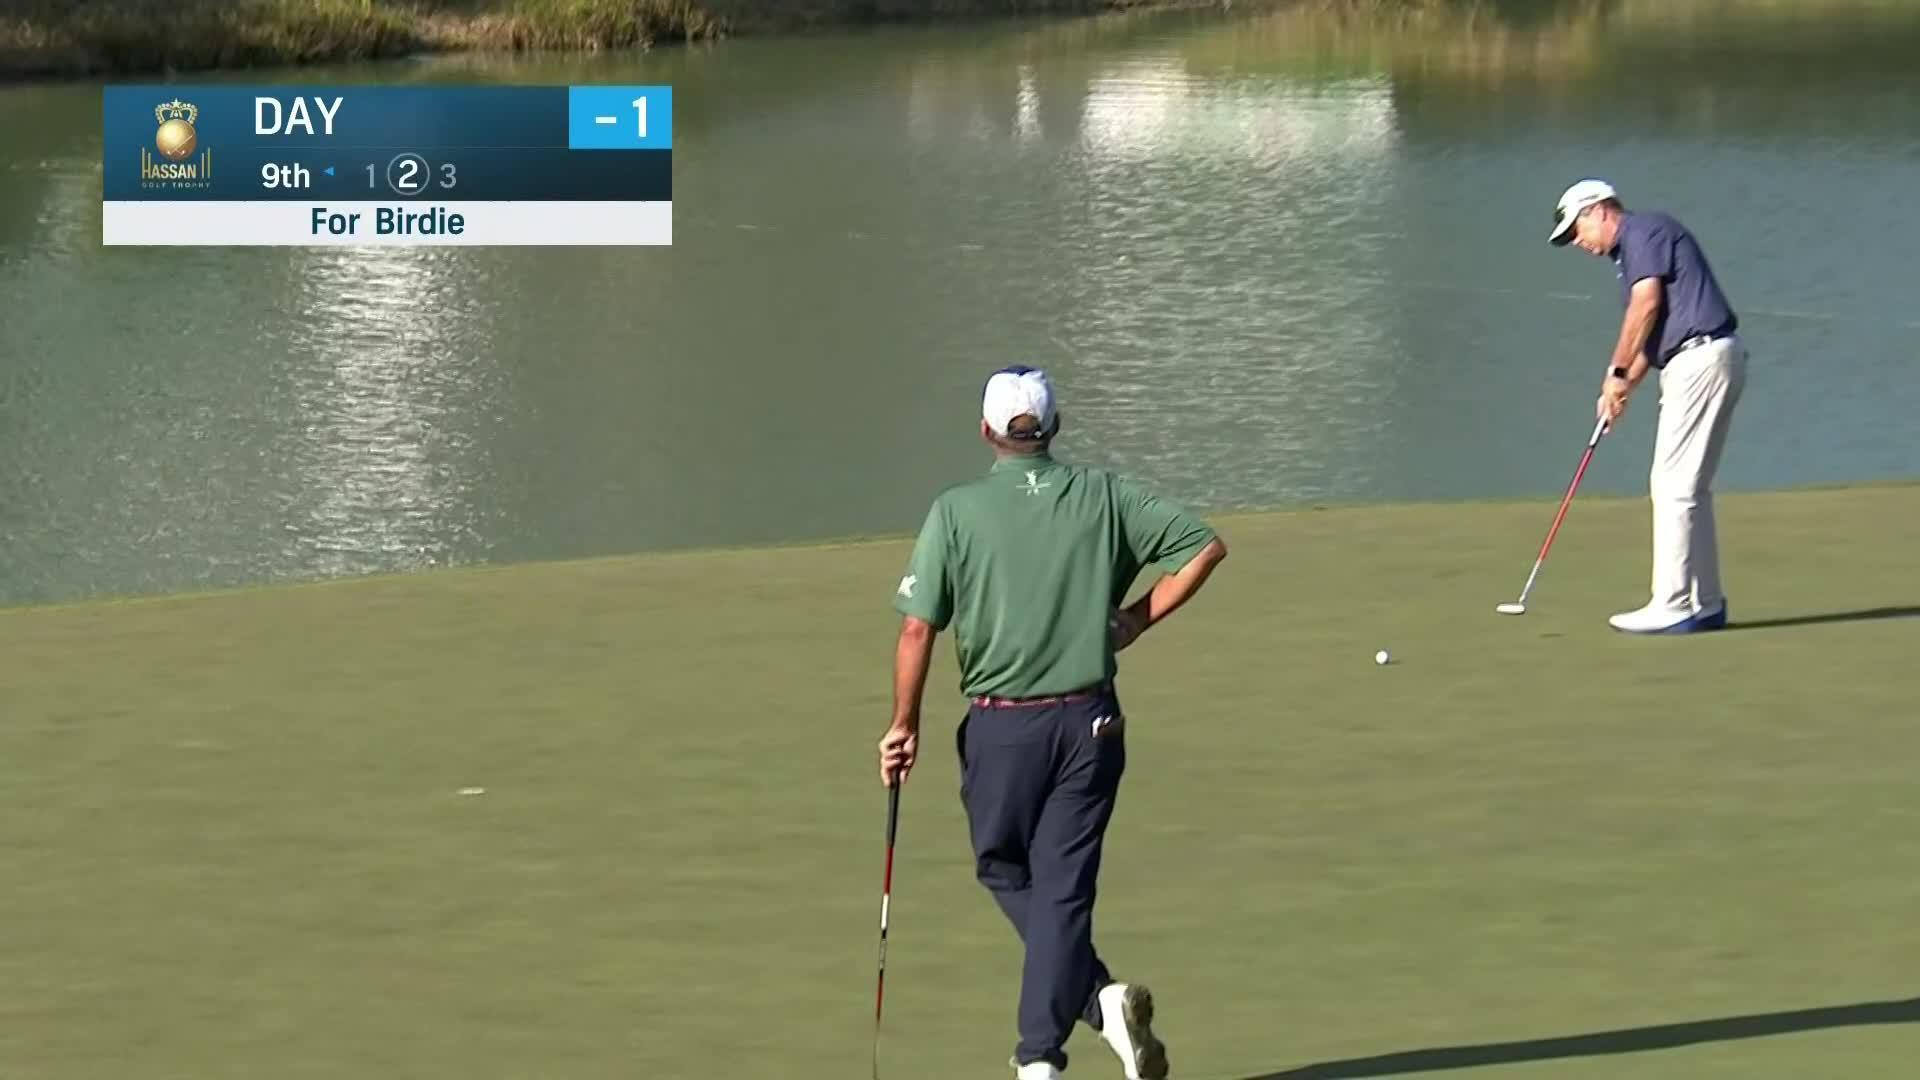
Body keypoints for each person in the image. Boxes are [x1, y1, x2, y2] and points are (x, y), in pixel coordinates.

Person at [875, 365, 1227, 1080]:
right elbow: (1202, 547)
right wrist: (1135, 621)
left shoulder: (956, 510)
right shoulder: (1104, 494)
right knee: (1058, 887)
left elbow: (917, 633)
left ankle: (1040, 1060)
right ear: (1053, 429)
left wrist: (902, 724)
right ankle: (1103, 1004)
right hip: (1091, 725)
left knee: (1007, 868)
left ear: (987, 431)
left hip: (1002, 730)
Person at [1548, 178, 1748, 634]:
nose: (1578, 243)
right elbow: (1651, 340)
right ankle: (1706, 602)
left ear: (1598, 210)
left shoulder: (1643, 232)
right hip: (1704, 357)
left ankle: (1673, 603)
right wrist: (1621, 391)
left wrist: (1615, 374)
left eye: (1576, 231)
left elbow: (1645, 307)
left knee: (1672, 484)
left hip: (1700, 358)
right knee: (1690, 488)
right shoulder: (1633, 252)